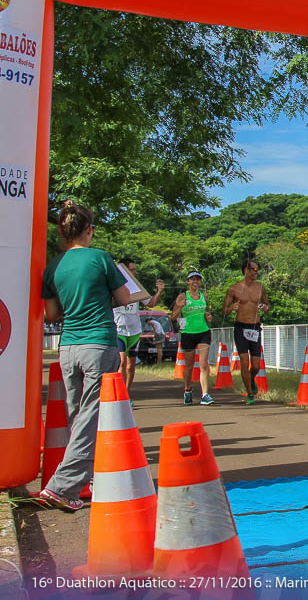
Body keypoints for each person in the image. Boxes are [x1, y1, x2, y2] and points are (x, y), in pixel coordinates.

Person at [38, 201, 132, 511]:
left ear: (63, 232)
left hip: (69, 346)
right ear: (89, 230)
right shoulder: (100, 259)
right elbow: (124, 297)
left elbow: (51, 313)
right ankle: (62, 487)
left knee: (77, 415)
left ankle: (86, 478)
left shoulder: (53, 266)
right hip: (98, 343)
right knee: (91, 416)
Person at [112, 257, 164, 400]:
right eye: (132, 269)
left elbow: (151, 303)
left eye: (134, 269)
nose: (135, 272)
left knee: (131, 365)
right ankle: (120, 395)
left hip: (134, 331)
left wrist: (159, 292)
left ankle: (127, 394)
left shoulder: (137, 287)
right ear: (124, 271)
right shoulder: (113, 286)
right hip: (119, 330)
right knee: (122, 362)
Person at [223, 258, 271, 404]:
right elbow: (224, 310)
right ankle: (250, 393)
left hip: (255, 327)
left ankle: (251, 379)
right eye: (254, 270)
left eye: (258, 270)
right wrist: (232, 308)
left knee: (256, 365)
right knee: (244, 361)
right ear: (246, 271)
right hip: (240, 327)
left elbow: (267, 304)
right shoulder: (234, 288)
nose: (257, 273)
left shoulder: (260, 287)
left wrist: (265, 308)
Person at [171, 270, 215, 406]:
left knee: (203, 364)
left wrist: (208, 317)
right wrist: (180, 306)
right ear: (188, 281)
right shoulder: (183, 296)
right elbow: (173, 316)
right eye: (193, 279)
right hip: (188, 333)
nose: (195, 282)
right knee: (189, 366)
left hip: (203, 332)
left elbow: (204, 312)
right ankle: (187, 390)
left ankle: (205, 394)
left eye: (198, 279)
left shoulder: (204, 295)